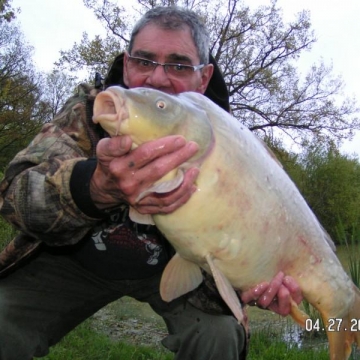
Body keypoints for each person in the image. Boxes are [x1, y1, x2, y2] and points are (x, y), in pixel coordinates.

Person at [0, 6, 302, 360]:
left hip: (176, 272)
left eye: (178, 65)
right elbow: (15, 194)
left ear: (203, 78)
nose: (157, 79)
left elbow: (249, 243)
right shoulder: (91, 111)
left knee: (219, 337)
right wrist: (94, 187)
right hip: (71, 259)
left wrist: (256, 279)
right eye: (144, 61)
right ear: (127, 65)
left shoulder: (233, 148)